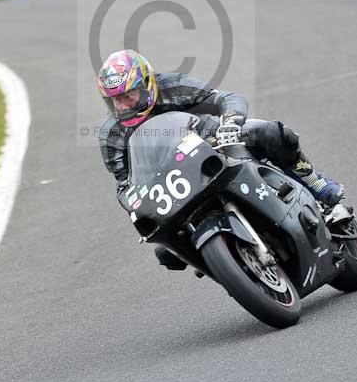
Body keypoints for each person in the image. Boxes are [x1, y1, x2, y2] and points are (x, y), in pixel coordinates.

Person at [97, 49, 344, 270]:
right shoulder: (112, 135)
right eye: (115, 100)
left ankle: (315, 184)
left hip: (213, 143)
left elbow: (225, 99)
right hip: (170, 181)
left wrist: (230, 123)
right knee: (166, 251)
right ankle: (221, 260)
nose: (122, 105)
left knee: (272, 133)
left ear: (148, 84)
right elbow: (124, 183)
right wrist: (136, 203)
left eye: (128, 95)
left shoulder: (173, 86)